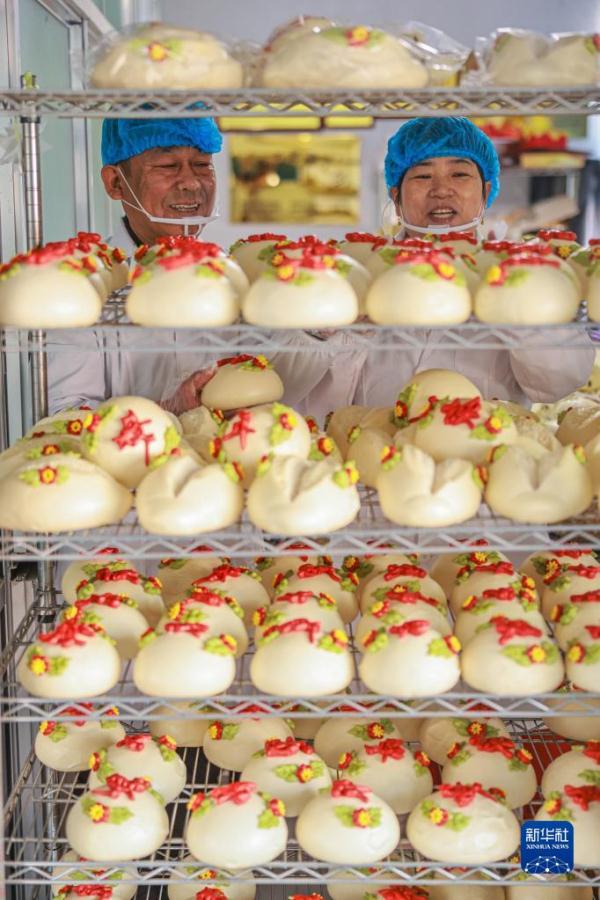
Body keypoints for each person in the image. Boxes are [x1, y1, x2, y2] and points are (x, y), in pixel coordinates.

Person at [50, 116, 594, 422]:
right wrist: (323, 327)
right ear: (397, 194)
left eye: (461, 175)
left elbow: (556, 384)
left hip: (483, 490)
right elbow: (302, 394)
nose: (443, 190)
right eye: (423, 176)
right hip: (363, 484)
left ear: (487, 190)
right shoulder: (345, 273)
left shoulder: (523, 275)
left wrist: (523, 310)